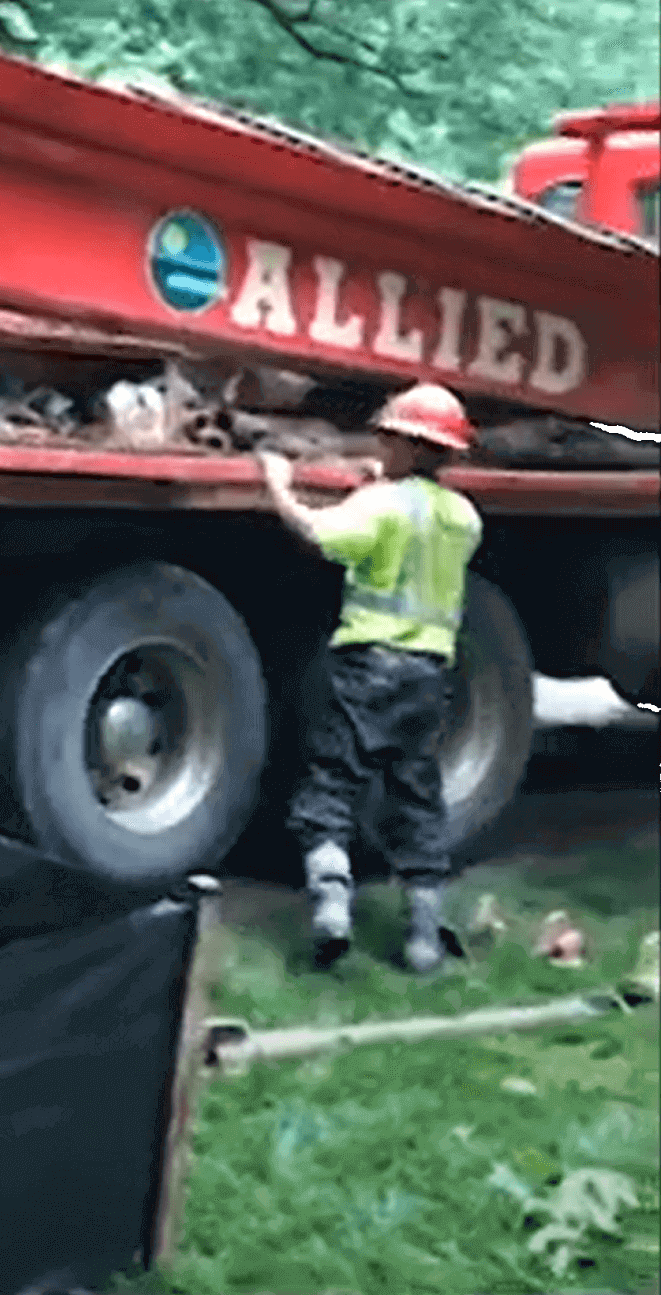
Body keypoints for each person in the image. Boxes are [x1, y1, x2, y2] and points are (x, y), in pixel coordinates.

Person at [256, 382, 483, 973]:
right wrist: (378, 485)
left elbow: (318, 534)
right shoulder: (463, 517)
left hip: (367, 668)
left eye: (387, 438)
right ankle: (423, 937)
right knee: (415, 794)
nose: (378, 444)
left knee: (333, 784)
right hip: (430, 674)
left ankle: (332, 912)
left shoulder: (380, 507)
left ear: (405, 445)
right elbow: (414, 520)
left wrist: (279, 484)